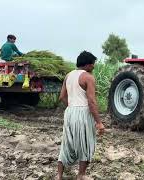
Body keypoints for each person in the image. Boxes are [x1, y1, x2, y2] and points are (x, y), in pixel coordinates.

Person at [57, 51, 105, 180]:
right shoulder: (88, 77)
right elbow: (91, 101)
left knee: (66, 143)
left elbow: (62, 96)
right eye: (93, 64)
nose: (94, 67)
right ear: (88, 65)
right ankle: (81, 175)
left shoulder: (68, 75)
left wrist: (72, 106)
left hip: (70, 111)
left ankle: (59, 176)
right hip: (83, 112)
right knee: (86, 143)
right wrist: (99, 122)